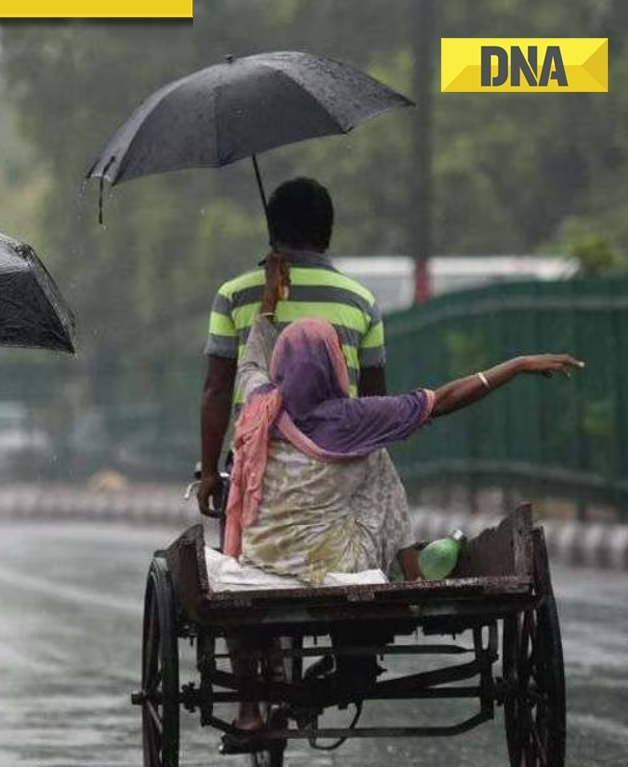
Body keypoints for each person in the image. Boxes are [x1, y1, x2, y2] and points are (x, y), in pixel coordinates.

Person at [220, 251, 583, 730]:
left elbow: (251, 354)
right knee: (377, 456)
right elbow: (445, 399)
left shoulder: (260, 403)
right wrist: (514, 365)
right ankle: (410, 567)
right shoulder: (355, 418)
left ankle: (292, 694)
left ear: (281, 370)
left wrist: (270, 299)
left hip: (264, 556)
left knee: (370, 457)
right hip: (337, 562)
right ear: (334, 366)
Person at [198, 176, 387, 521]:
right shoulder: (362, 302)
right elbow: (375, 401)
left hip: (255, 467)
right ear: (327, 233)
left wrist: (209, 472)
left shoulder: (234, 296)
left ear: (272, 230)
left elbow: (217, 389)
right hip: (338, 465)